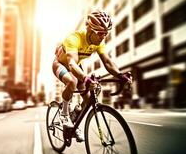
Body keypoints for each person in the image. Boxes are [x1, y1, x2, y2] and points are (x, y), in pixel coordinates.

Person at [52, 9, 132, 142]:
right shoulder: (74, 38)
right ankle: (64, 114)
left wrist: (120, 75)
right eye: (100, 33)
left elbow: (107, 61)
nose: (103, 37)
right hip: (60, 64)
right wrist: (85, 78)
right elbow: (71, 64)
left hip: (77, 67)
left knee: (88, 99)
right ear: (90, 30)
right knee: (72, 81)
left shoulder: (99, 43)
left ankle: (74, 120)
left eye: (105, 34)